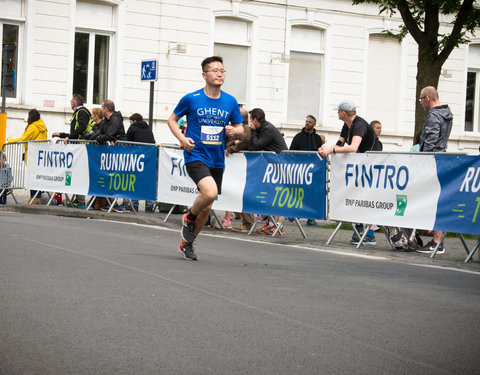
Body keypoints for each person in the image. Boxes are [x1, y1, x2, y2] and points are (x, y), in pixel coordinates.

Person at [167, 56, 244, 260]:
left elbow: (241, 130)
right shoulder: (191, 99)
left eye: (222, 70)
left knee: (208, 206)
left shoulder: (230, 101)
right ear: (204, 74)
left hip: (217, 158)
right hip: (196, 155)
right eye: (215, 70)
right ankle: (189, 217)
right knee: (209, 193)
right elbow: (172, 120)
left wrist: (234, 132)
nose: (220, 73)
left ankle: (187, 243)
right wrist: (183, 139)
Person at [318, 100, 379, 246]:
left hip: (372, 162)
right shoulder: (347, 125)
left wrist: (331, 151)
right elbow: (340, 144)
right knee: (356, 194)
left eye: (338, 111)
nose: (337, 113)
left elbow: (353, 147)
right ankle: (358, 229)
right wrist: (325, 149)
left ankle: (370, 233)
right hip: (361, 163)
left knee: (367, 196)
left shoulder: (359, 125)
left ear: (343, 113)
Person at [416, 86, 453, 255]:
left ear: (428, 98)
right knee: (438, 201)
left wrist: (423, 162)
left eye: (421, 99)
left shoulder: (434, 116)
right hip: (442, 159)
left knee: (434, 202)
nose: (421, 103)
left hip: (432, 164)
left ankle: (436, 242)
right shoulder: (446, 114)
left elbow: (430, 143)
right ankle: (437, 240)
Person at [248, 108, 288, 235]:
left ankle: (278, 225)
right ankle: (271, 223)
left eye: (250, 119)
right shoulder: (262, 129)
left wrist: (253, 132)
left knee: (278, 194)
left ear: (254, 119)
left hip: (281, 164)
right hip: (271, 165)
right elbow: (252, 146)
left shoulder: (268, 129)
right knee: (268, 193)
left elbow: (256, 145)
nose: (249, 122)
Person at [289, 114, 324, 226]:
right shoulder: (298, 136)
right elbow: (291, 152)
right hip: (300, 169)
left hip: (313, 170)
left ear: (314, 124)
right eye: (306, 121)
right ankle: (293, 213)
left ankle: (310, 218)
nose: (307, 123)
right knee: (298, 192)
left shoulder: (317, 138)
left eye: (309, 122)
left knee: (311, 193)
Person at [8, 109, 48, 204]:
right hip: (40, 156)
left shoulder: (32, 127)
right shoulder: (43, 127)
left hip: (32, 156)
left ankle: (34, 198)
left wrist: (10, 140)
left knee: (32, 177)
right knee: (38, 177)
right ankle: (37, 198)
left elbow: (23, 138)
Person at [126, 113, 156, 213]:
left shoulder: (132, 128)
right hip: (150, 156)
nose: (130, 124)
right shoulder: (148, 128)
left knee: (135, 179)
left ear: (134, 121)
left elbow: (127, 142)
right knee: (149, 180)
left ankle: (134, 204)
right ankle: (149, 205)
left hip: (137, 157)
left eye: (130, 121)